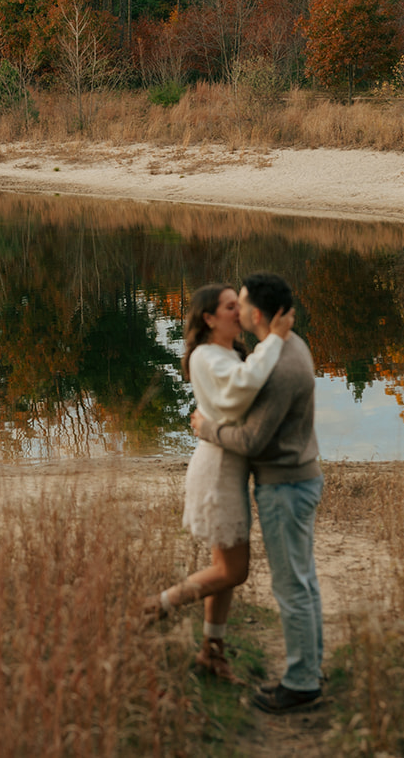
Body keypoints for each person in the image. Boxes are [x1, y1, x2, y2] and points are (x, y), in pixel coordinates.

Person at [143, 283, 295, 683]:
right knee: (234, 571)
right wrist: (275, 341)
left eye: (239, 305)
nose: (238, 312)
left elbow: (248, 386)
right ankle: (158, 605)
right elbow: (243, 388)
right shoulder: (206, 357)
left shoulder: (229, 353)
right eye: (230, 307)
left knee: (223, 568)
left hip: (230, 469)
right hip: (217, 473)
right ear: (209, 318)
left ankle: (212, 653)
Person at [190, 272, 324, 714]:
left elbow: (251, 441)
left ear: (257, 314)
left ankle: (302, 684)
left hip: (285, 485)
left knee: (291, 587)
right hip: (296, 478)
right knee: (303, 582)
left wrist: (207, 428)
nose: (238, 310)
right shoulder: (292, 347)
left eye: (241, 303)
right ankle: (310, 670)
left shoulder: (279, 365)